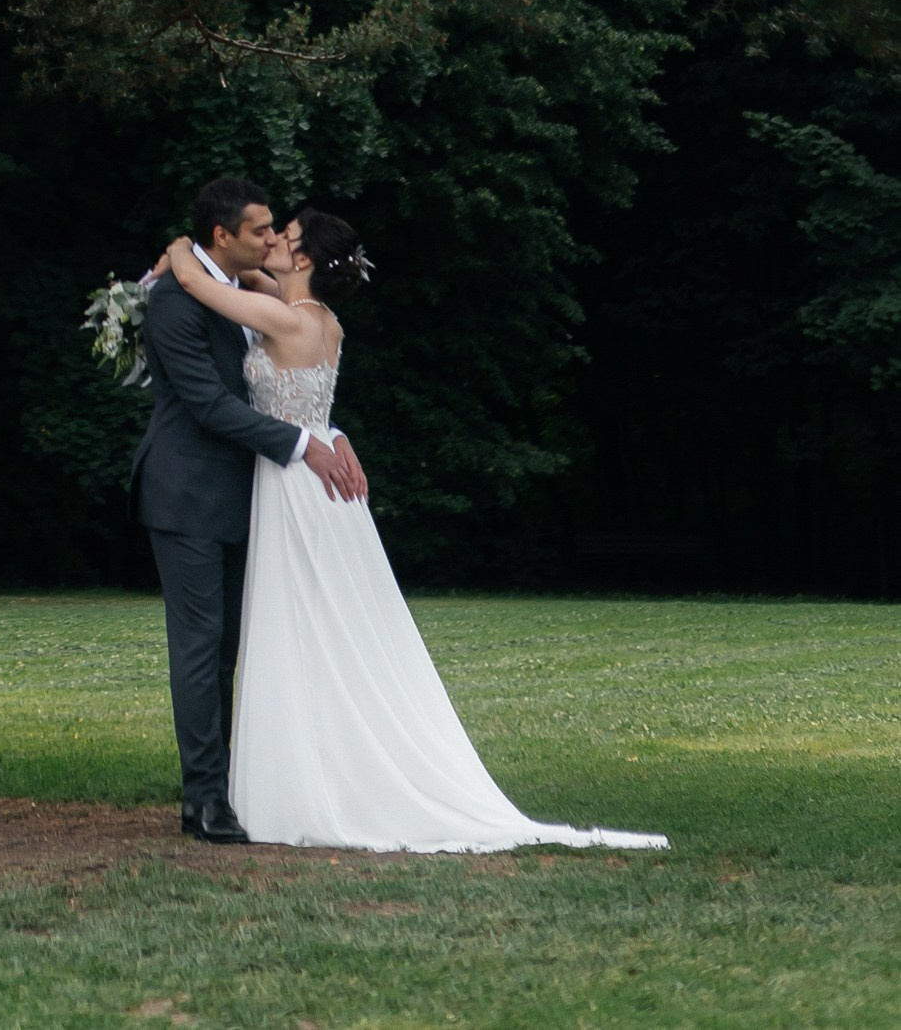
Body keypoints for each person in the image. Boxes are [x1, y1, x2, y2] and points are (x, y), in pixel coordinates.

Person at [159, 209, 668, 853]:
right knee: (318, 622)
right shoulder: (323, 320)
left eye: (285, 238)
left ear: (305, 258)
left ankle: (304, 781)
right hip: (316, 472)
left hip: (295, 483)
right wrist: (334, 431)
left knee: (298, 620)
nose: (273, 244)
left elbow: (201, 285)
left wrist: (179, 249)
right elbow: (263, 295)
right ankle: (308, 768)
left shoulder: (285, 319)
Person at [131, 176, 370, 843]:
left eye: (277, 231)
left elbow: (286, 386)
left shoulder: (250, 294)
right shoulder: (175, 302)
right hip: (187, 494)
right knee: (200, 646)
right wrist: (305, 444)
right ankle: (204, 800)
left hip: (255, 497)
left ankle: (239, 786)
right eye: (261, 229)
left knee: (236, 647)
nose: (270, 238)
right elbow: (209, 405)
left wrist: (326, 432)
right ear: (222, 235)